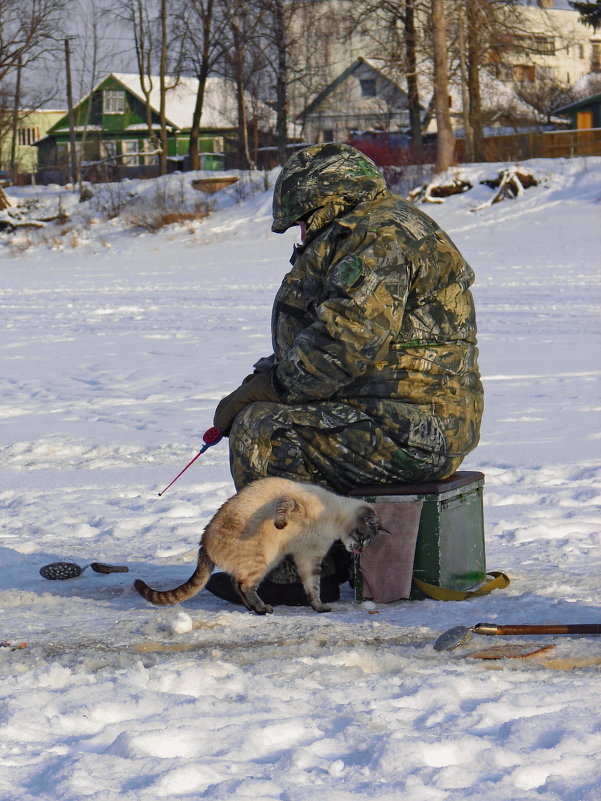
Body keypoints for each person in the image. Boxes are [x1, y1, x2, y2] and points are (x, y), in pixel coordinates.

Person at [207, 142, 483, 606]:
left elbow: (342, 347)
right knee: (275, 418)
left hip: (412, 427)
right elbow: (331, 335)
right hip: (396, 414)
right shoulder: (374, 228)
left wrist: (268, 389)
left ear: (328, 202)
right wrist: (266, 378)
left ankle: (294, 576)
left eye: (303, 218)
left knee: (264, 432)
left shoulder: (379, 238)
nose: (300, 230)